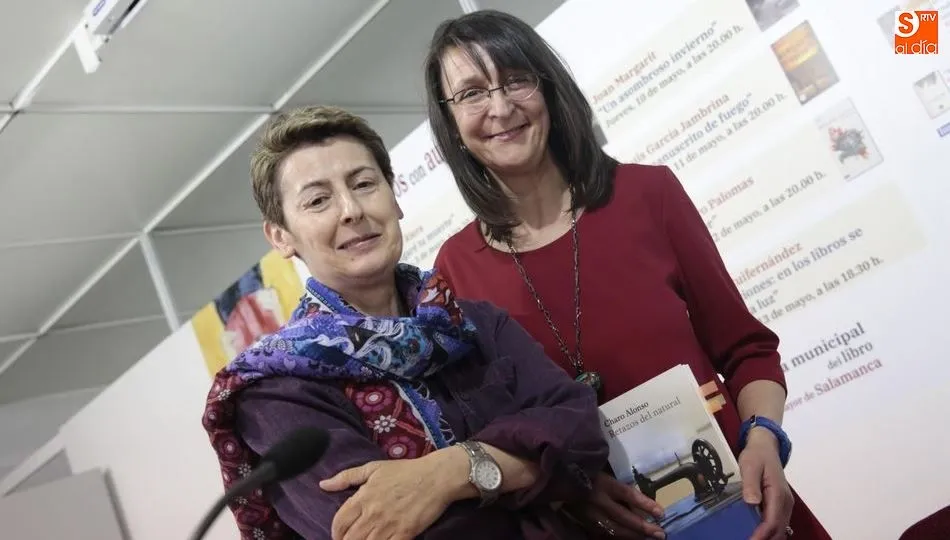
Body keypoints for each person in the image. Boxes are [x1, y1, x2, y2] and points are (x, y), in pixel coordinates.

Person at [424, 9, 832, 540]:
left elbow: (748, 350)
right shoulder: (454, 272)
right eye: (472, 93)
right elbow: (495, 439)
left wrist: (763, 438)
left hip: (743, 503)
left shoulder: (648, 195)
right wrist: (571, 487)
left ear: (548, 89)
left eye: (516, 80)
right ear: (450, 123)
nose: (500, 107)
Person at [200, 105, 611, 540]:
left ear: (394, 197)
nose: (351, 210)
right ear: (281, 236)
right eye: (318, 200)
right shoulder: (275, 392)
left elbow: (581, 432)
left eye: (363, 184)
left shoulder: (474, 323)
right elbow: (387, 531)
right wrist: (534, 471)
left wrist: (449, 472)